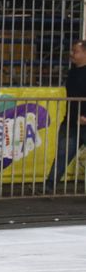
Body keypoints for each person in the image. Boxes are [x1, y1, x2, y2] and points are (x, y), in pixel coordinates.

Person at [44, 40, 86, 192]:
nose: (72, 54)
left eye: (76, 51)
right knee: (62, 154)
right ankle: (49, 185)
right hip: (72, 121)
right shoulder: (73, 71)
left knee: (63, 152)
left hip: (83, 121)